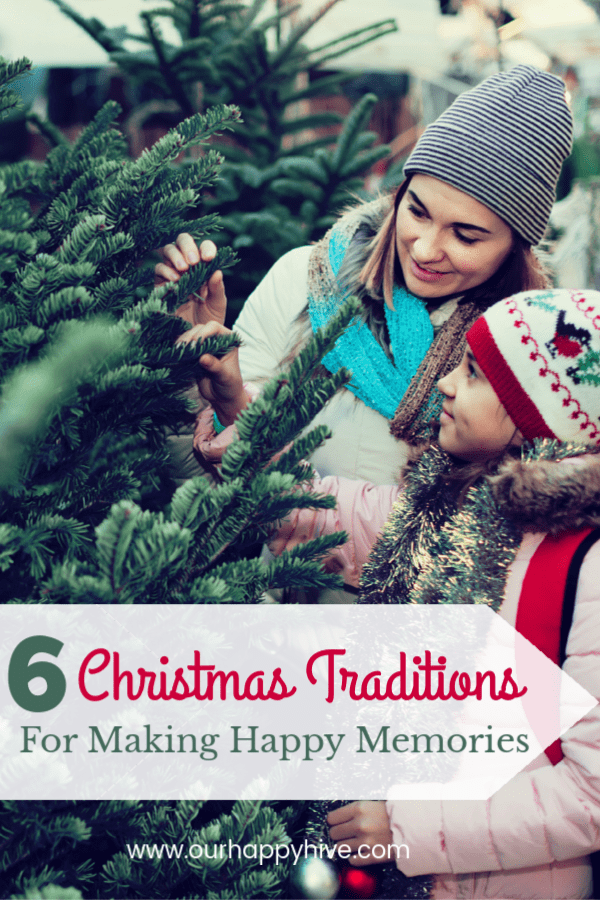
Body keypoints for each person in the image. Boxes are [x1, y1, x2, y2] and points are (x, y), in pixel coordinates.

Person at [189, 287, 600, 899]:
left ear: (537, 415)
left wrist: (409, 825)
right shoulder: (439, 506)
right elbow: (301, 505)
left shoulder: (584, 563)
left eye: (474, 374)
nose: (446, 385)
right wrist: (229, 398)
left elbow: (589, 795)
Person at [156, 64, 573, 492]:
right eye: (417, 212)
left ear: (514, 247)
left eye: (465, 235)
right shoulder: (301, 280)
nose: (425, 249)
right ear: (400, 192)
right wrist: (195, 376)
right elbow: (197, 487)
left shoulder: (533, 356)